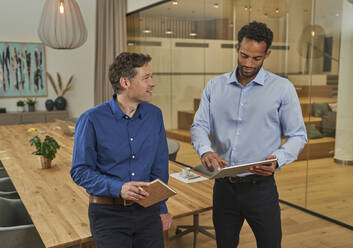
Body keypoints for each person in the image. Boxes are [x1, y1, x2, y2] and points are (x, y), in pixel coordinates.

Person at [190, 21, 307, 248]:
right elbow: (199, 126)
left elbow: (298, 135)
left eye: (256, 58)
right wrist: (205, 150)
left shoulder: (282, 88)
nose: (248, 64)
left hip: (261, 189)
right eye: (244, 56)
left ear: (267, 54)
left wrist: (278, 159)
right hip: (224, 188)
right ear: (237, 47)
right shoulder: (215, 86)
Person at [71, 52, 172, 248]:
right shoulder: (91, 119)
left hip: (148, 212)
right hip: (108, 216)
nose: (153, 83)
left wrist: (161, 207)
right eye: (146, 78)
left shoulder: (155, 116)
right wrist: (119, 188)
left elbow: (159, 168)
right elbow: (80, 171)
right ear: (125, 82)